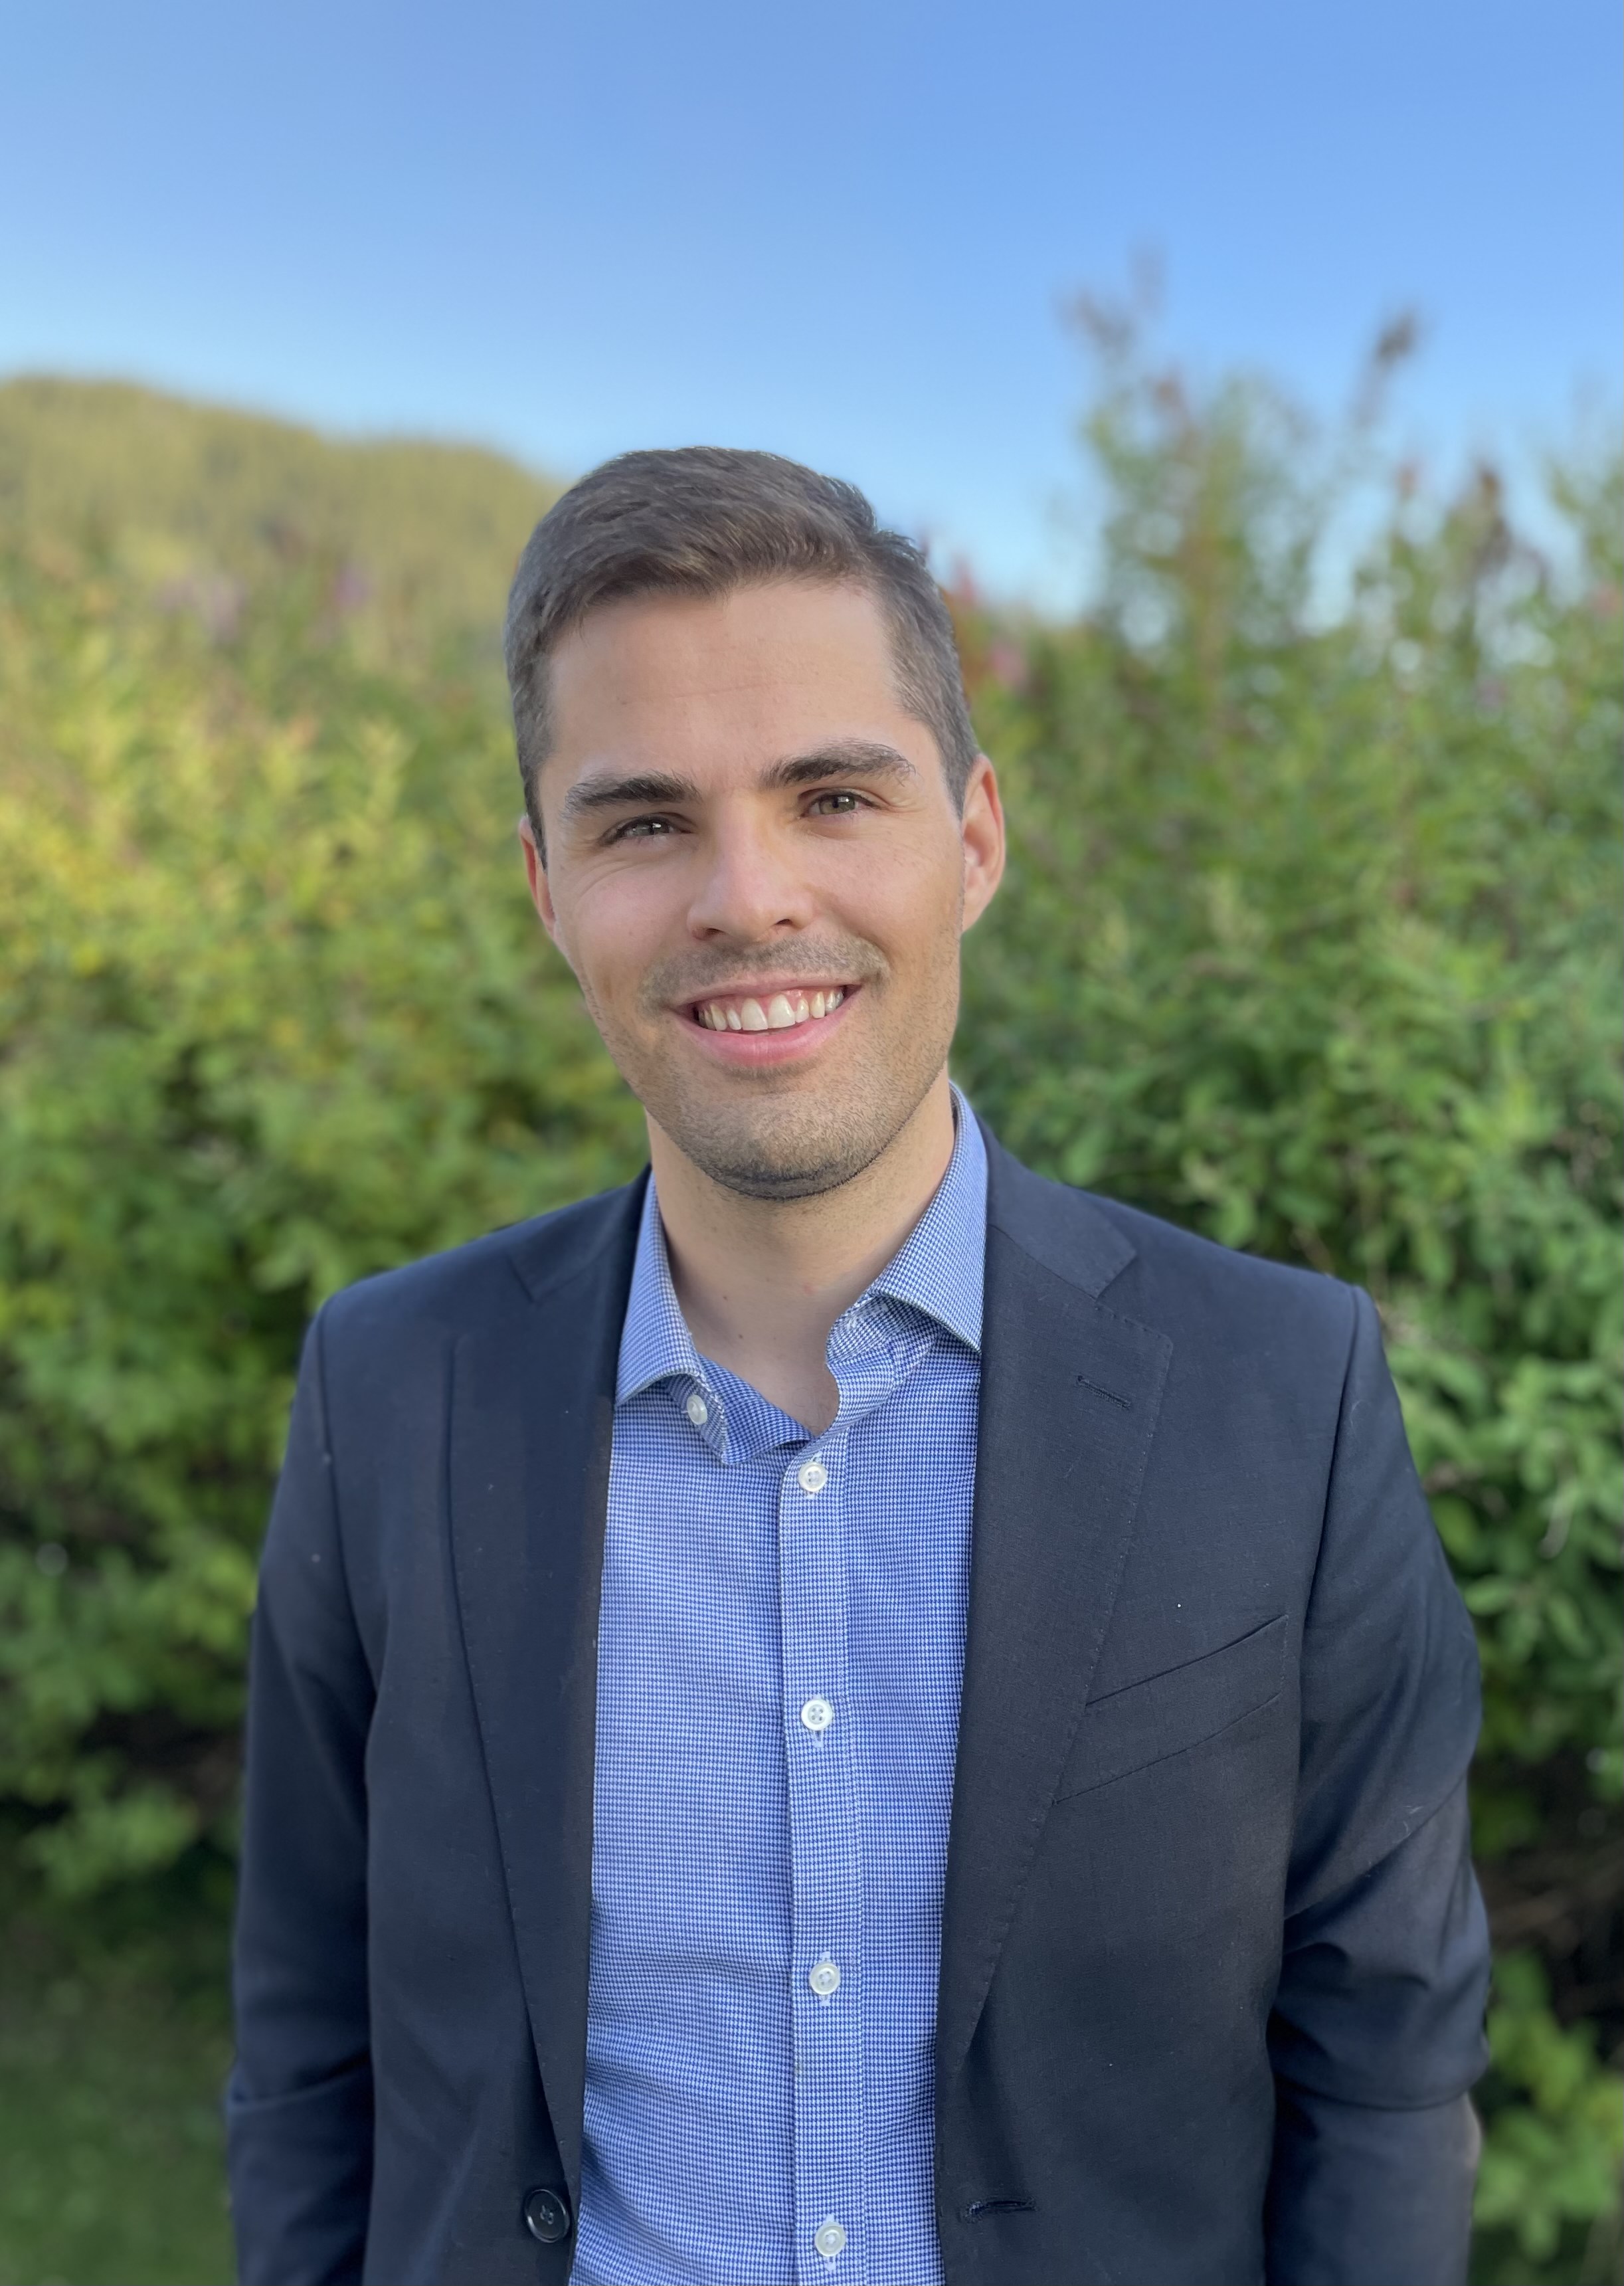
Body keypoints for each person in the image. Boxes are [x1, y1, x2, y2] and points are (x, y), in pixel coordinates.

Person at [226, 448, 1490, 2286]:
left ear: (973, 840)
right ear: (546, 887)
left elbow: (1382, 2066)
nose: (748, 896)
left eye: (832, 796)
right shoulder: (391, 1391)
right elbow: (306, 2042)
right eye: (644, 822)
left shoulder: (1282, 1394)